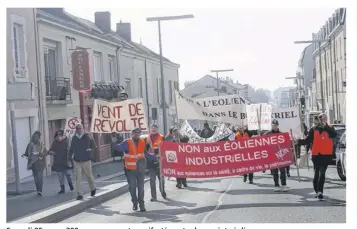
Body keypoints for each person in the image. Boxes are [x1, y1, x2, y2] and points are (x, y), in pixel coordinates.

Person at [299, 113, 337, 200]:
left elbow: (334, 135)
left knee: (322, 173)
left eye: (324, 118)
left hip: (326, 155)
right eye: (321, 119)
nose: (322, 120)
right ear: (318, 120)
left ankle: (320, 191)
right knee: (316, 173)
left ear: (326, 119)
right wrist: (298, 142)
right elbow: (308, 140)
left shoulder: (330, 128)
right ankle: (317, 191)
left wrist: (325, 127)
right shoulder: (314, 129)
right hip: (316, 154)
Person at [116, 128, 146, 211]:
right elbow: (118, 148)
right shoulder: (127, 142)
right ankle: (134, 202)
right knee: (132, 187)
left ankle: (142, 204)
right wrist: (117, 143)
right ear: (132, 133)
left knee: (141, 188)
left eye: (138, 133)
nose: (137, 134)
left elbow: (145, 153)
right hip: (130, 169)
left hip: (140, 169)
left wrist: (154, 157)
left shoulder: (142, 142)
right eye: (135, 133)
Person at [69, 123, 97, 200]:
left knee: (89, 176)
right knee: (78, 177)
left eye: (80, 128)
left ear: (83, 129)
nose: (78, 130)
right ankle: (79, 193)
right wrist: (69, 159)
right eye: (77, 128)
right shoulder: (74, 138)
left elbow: (94, 146)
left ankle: (93, 188)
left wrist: (92, 139)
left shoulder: (87, 136)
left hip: (86, 160)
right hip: (77, 160)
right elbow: (71, 149)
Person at [145, 124, 167, 201]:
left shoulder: (161, 137)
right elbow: (145, 151)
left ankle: (162, 191)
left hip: (160, 162)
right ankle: (153, 196)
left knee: (161, 179)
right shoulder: (146, 138)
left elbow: (166, 148)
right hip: (151, 162)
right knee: (152, 181)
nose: (153, 129)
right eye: (152, 128)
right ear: (150, 129)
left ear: (157, 129)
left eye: (155, 128)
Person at [265, 120, 288, 192]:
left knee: (282, 171)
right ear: (271, 125)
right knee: (275, 171)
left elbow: (285, 144)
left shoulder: (281, 134)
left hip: (281, 155)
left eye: (276, 125)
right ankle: (276, 185)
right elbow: (263, 143)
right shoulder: (268, 134)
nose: (275, 126)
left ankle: (283, 185)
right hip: (272, 155)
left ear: (278, 125)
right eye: (273, 125)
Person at [49, 129, 74, 194]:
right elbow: (51, 150)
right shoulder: (55, 142)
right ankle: (62, 189)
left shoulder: (67, 141)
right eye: (57, 136)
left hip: (66, 162)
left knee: (68, 175)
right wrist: (51, 152)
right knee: (60, 177)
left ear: (63, 135)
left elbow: (71, 149)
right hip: (58, 162)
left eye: (60, 135)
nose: (58, 137)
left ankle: (71, 185)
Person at [25, 131, 49, 196]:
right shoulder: (30, 144)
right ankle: (38, 190)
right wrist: (28, 155)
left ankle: (40, 190)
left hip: (40, 163)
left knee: (39, 176)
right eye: (34, 136)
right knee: (36, 177)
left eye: (37, 137)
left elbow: (46, 153)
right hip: (33, 163)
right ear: (33, 137)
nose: (35, 138)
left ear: (38, 137)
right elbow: (27, 153)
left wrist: (41, 154)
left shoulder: (41, 144)